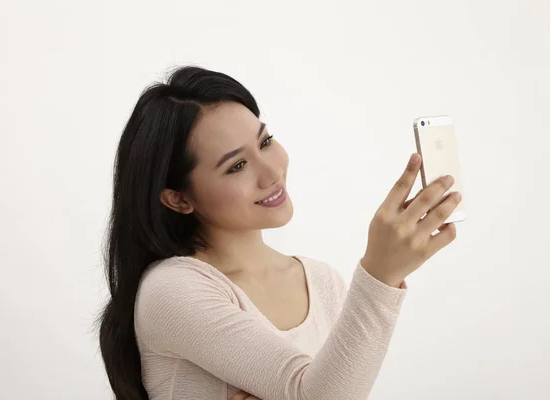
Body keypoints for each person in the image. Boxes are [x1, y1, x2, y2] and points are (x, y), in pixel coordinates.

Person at [97, 66, 462, 400]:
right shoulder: (173, 289)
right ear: (178, 199)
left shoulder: (322, 282)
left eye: (266, 141)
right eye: (237, 165)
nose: (271, 172)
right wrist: (381, 276)